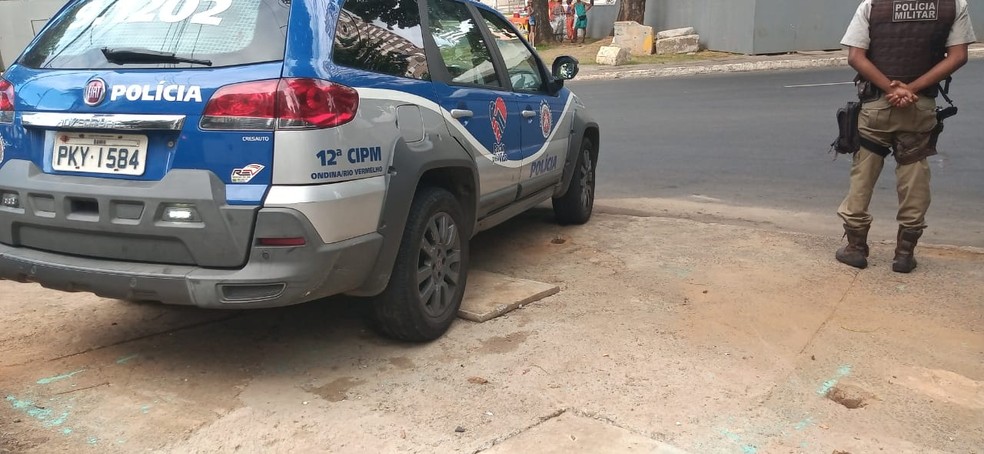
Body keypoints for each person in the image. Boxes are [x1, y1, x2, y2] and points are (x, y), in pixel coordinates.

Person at [835, 0, 976, 273]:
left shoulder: (873, 5)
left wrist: (891, 88)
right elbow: (958, 56)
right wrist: (910, 89)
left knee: (863, 172)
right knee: (914, 175)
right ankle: (904, 253)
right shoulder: (954, 6)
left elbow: (855, 56)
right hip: (919, 106)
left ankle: (855, 248)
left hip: (877, 105)